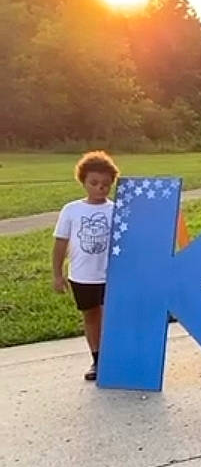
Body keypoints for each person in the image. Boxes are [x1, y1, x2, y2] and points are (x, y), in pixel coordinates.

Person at [52, 150, 120, 381]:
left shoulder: (116, 210)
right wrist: (57, 274)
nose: (99, 188)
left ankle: (117, 357)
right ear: (83, 181)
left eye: (105, 184)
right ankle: (98, 360)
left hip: (112, 276)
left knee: (113, 315)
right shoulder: (71, 210)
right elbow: (60, 243)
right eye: (94, 183)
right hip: (83, 276)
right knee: (91, 316)